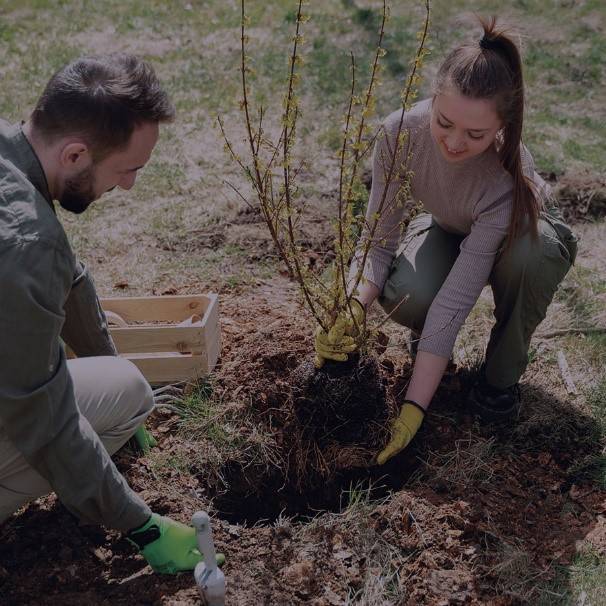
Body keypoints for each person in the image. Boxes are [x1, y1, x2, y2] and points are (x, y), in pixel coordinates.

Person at [314, 18, 577, 464]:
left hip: (525, 235)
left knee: (529, 260)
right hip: (453, 226)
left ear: (501, 127)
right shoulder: (399, 134)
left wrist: (414, 409)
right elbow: (378, 243)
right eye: (444, 122)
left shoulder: (504, 178)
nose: (455, 143)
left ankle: (498, 382)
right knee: (411, 296)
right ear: (433, 99)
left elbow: (457, 300)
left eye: (475, 134)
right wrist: (353, 306)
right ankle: (430, 352)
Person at [0, 54, 222, 574]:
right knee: (125, 392)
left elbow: (72, 281)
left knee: (117, 381)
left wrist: (104, 353)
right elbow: (43, 420)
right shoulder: (28, 246)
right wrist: (139, 523)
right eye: (127, 170)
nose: (128, 186)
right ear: (76, 154)